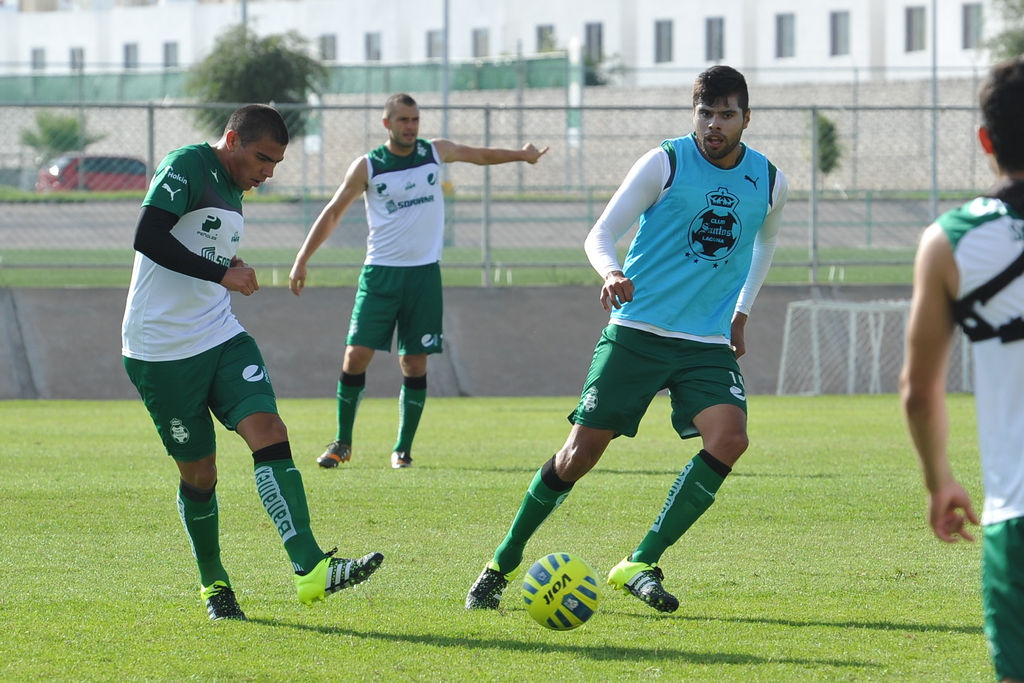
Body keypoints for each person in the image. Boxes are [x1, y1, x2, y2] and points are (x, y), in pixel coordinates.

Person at [465, 65, 788, 613]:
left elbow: (764, 247)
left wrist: (741, 312)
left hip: (705, 342)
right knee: (578, 455)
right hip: (637, 331)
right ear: (695, 114)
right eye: (705, 113)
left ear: (746, 119)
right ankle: (503, 560)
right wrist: (611, 272)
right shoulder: (665, 161)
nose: (714, 125)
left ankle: (640, 561)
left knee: (730, 438)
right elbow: (600, 233)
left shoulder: (770, 180)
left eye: (726, 115)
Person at [121, 104, 383, 621]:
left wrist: (225, 265)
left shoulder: (236, 185)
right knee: (201, 474)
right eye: (263, 158)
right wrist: (221, 276)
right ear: (233, 139)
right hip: (162, 350)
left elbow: (194, 243)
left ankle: (311, 568)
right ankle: (214, 583)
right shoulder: (188, 164)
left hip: (220, 334)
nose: (268, 171)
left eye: (277, 163)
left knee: (267, 426)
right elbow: (148, 236)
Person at [289, 92, 548, 470]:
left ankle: (402, 449)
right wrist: (302, 258)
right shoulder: (367, 166)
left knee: (414, 362)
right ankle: (342, 442)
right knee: (356, 354)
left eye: (415, 120)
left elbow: (480, 155)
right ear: (387, 124)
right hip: (380, 274)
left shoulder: (435, 152)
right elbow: (332, 214)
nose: (410, 127)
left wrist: (522, 155)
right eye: (403, 120)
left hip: (424, 275)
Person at [900, 57, 1024, 683]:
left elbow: (919, 394)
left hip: (1017, 517)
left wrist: (939, 481)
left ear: (986, 141)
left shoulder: (952, 239)